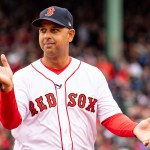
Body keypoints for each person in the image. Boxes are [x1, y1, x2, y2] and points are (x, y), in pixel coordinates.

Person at [0, 5, 150, 150]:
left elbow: (112, 117)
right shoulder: (23, 77)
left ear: (70, 35)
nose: (47, 36)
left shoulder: (92, 75)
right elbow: (11, 122)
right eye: (43, 30)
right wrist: (7, 91)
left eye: (55, 30)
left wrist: (134, 128)